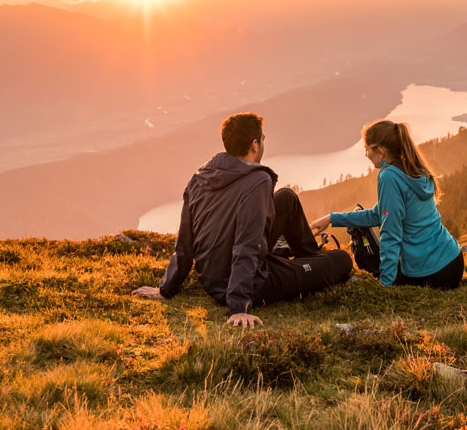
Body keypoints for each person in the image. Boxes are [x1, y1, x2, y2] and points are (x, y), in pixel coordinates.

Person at [132, 112, 353, 327]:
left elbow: (185, 242)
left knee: (286, 197)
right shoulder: (257, 181)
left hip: (212, 276)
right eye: (263, 139)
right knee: (342, 259)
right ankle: (307, 265)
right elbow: (247, 243)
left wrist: (166, 288)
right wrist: (239, 306)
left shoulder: (200, 176)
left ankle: (308, 257)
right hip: (248, 285)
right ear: (255, 144)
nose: (264, 144)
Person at [310, 119, 464, 289]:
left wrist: (386, 284)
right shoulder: (411, 166)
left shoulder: (389, 177)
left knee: (386, 271)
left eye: (366, 149)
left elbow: (391, 232)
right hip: (453, 258)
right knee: (395, 266)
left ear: (380, 152)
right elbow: (377, 215)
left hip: (434, 272)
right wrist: (331, 218)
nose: (366, 154)